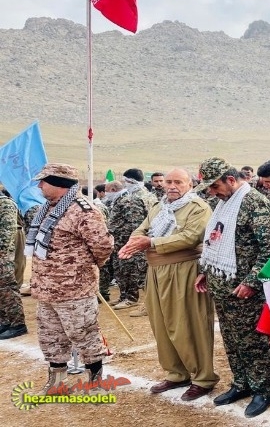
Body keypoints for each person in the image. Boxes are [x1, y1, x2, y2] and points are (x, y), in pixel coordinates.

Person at [118, 168, 219, 402]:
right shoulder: (159, 206)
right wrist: (134, 241)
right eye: (169, 182)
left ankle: (203, 378)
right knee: (161, 324)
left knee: (188, 324)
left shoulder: (198, 207)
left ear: (190, 185)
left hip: (183, 270)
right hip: (156, 270)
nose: (172, 186)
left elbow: (190, 237)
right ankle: (176, 373)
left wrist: (151, 242)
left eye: (178, 182)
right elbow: (142, 229)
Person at [192, 158, 270, 417]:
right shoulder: (223, 203)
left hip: (245, 290)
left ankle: (262, 390)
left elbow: (269, 248)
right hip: (222, 285)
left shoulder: (254, 203)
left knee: (252, 341)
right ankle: (241, 383)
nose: (212, 192)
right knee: (231, 339)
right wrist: (205, 271)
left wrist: (252, 282)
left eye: (215, 186)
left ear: (230, 180)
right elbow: (214, 241)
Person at [26, 163, 114, 393]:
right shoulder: (47, 209)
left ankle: (95, 382)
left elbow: (103, 246)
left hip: (75, 290)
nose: (39, 186)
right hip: (46, 289)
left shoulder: (83, 211)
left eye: (43, 181)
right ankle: (57, 383)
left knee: (84, 334)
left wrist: (81, 271)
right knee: (50, 337)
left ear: (59, 184)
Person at [108, 168, 157, 311]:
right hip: (142, 240)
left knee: (129, 270)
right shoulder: (150, 196)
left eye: (126, 181)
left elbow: (134, 225)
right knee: (132, 270)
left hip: (128, 240)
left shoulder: (133, 199)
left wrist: (130, 243)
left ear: (130, 181)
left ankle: (130, 298)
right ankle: (125, 296)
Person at [0, 191, 26, 340]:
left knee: (7, 288)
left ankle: (17, 324)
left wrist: (2, 252)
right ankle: (5, 321)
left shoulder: (5, 203)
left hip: (2, 255)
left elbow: (7, 233)